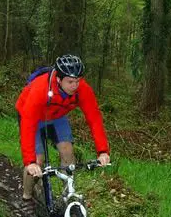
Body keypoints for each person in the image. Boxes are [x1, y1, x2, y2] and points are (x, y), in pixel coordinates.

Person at [16, 54, 110, 201]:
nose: (75, 85)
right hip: (31, 116)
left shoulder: (82, 89)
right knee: (37, 161)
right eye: (70, 81)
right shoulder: (40, 88)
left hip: (57, 116)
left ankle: (68, 196)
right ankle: (26, 196)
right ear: (58, 79)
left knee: (67, 152)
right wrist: (30, 162)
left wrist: (103, 151)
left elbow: (94, 119)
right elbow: (28, 124)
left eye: (78, 81)